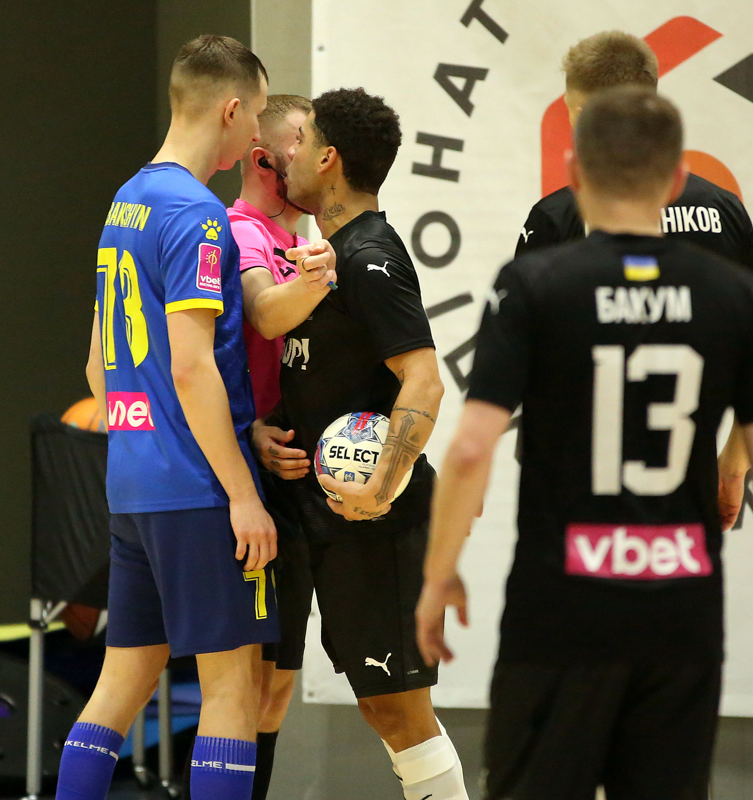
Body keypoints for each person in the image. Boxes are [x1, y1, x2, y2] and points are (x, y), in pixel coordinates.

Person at [418, 86, 753, 800]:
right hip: (681, 615)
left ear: (574, 172)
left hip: (559, 611)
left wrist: (437, 575)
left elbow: (472, 449)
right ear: (676, 180)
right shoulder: (733, 296)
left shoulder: (534, 283)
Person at [60, 35, 277, 800]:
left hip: (133, 484)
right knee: (233, 690)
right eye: (257, 116)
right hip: (197, 489)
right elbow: (190, 367)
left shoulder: (126, 200)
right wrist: (242, 495)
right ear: (231, 109)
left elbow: (98, 367)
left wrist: (146, 430)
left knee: (122, 680)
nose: (259, 136)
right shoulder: (197, 213)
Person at [273, 87, 470, 800]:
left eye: (300, 143)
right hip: (325, 516)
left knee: (399, 709)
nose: (287, 155)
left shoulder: (369, 256)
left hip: (379, 523)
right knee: (379, 707)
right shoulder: (324, 257)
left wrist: (382, 485)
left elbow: (425, 381)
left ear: (328, 158)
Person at [518, 30, 753, 530]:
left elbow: (522, 365)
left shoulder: (557, 216)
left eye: (570, 111)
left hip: (581, 486)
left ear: (586, 115)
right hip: (683, 480)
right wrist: (737, 461)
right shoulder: (724, 210)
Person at [226, 92, 334, 800]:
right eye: (304, 144)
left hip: (299, 478)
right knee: (247, 687)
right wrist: (252, 430)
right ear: (265, 159)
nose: (317, 159)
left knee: (279, 687)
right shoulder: (241, 232)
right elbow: (265, 317)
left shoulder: (308, 236)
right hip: (255, 478)